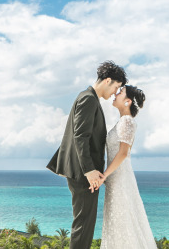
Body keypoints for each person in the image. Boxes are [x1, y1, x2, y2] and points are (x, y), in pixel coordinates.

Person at [47, 61, 127, 249]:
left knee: (85, 223)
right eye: (115, 87)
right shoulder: (88, 99)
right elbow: (80, 137)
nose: (114, 92)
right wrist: (89, 171)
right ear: (107, 80)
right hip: (84, 174)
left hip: (84, 172)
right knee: (83, 224)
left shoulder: (88, 97)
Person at [100, 84, 156, 249]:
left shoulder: (127, 121)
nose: (115, 94)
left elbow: (123, 153)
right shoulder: (123, 121)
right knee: (118, 222)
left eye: (120, 92)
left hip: (119, 179)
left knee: (123, 221)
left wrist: (105, 175)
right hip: (115, 178)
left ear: (128, 101)